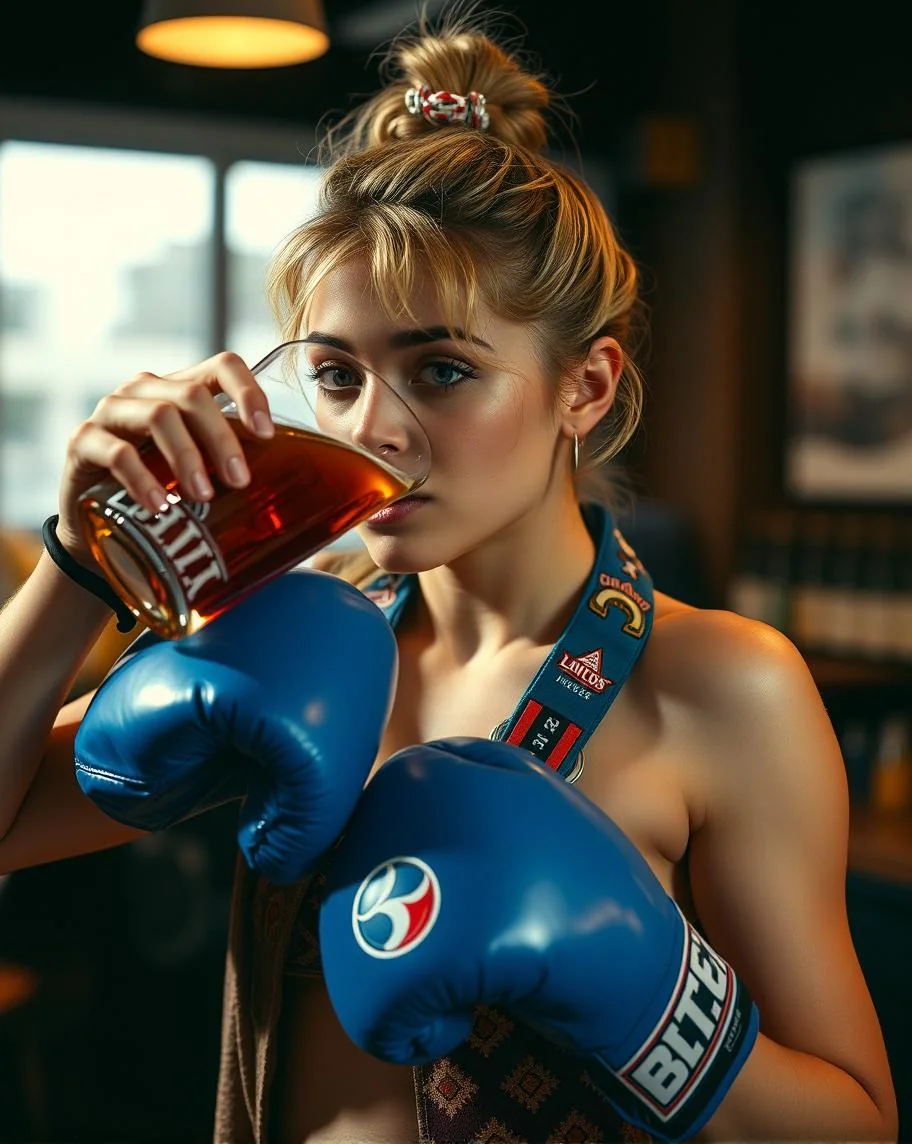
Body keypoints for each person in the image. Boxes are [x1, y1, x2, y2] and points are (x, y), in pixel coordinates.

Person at [0, 3, 899, 1142]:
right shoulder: (294, 636)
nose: (372, 427)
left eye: (440, 369)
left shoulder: (723, 686)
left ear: (587, 388)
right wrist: (80, 558)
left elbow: (860, 1123)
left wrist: (654, 1001)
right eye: (333, 373)